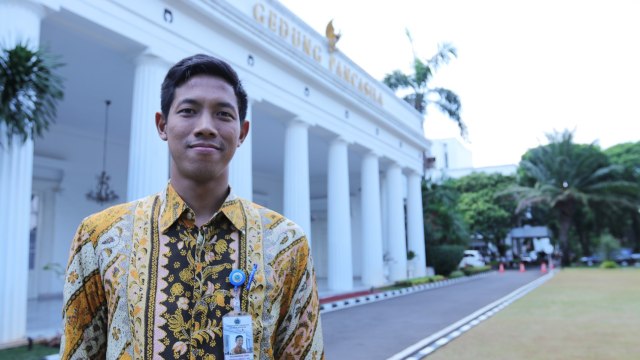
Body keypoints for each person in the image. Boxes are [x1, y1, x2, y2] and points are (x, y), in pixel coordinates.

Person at [60, 54, 324, 359]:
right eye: (188, 111)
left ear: (242, 132)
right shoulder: (101, 236)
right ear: (162, 125)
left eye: (223, 114)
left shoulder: (286, 243)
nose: (206, 127)